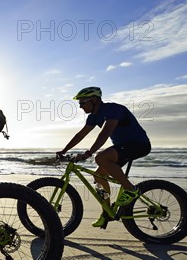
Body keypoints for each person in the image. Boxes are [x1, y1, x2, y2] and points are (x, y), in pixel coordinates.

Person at [56, 87, 151, 228]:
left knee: (100, 158)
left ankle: (131, 190)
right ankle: (106, 213)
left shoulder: (113, 109)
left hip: (138, 144)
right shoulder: (93, 117)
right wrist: (64, 151)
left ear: (94, 100)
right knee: (99, 176)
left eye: (82, 102)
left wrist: (88, 153)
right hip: (123, 148)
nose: (80, 106)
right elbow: (80, 135)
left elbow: (105, 134)